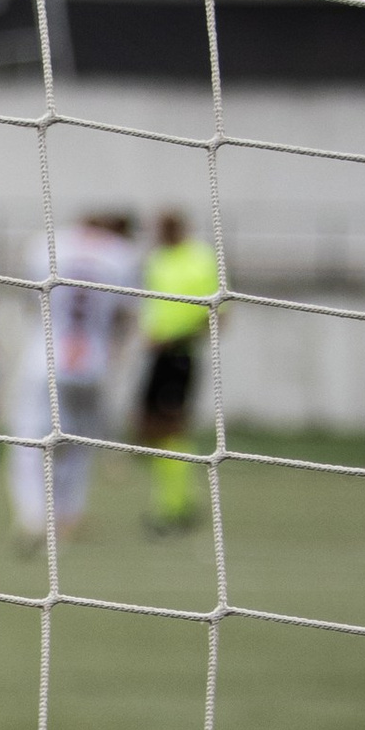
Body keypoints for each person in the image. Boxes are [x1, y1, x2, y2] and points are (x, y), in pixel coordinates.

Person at [6, 210, 138, 549]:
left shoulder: (47, 245)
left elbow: (29, 302)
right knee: (77, 445)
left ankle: (34, 516)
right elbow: (125, 317)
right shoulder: (122, 256)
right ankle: (68, 515)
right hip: (92, 362)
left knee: (32, 441)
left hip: (46, 358)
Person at [137, 213, 219, 532]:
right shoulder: (156, 260)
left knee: (171, 427)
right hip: (158, 355)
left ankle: (175, 507)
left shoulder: (201, 259)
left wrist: (174, 337)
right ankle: (175, 501)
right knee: (148, 428)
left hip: (181, 354)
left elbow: (215, 316)